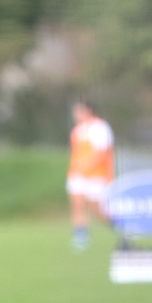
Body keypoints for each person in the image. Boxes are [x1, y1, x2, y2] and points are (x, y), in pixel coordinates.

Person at [66, 101, 115, 250]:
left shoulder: (100, 127)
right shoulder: (77, 130)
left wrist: (87, 165)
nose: (75, 114)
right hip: (78, 174)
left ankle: (122, 228)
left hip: (97, 176)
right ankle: (81, 238)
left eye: (78, 111)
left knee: (97, 210)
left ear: (87, 111)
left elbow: (102, 152)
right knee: (77, 205)